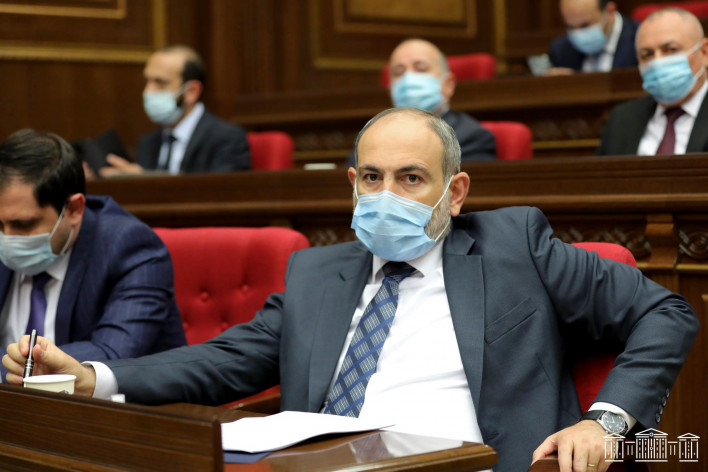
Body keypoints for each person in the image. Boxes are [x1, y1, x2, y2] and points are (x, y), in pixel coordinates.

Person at [4, 109, 698, 472]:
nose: (386, 195)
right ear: (351, 184)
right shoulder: (318, 272)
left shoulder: (514, 244)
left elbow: (664, 311)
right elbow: (225, 359)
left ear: (456, 192)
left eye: (410, 179)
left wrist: (604, 424)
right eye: (371, 178)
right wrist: (92, 378)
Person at [0, 129, 187, 382]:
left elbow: (111, 355)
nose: (7, 237)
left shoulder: (131, 248)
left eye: (23, 224)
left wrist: (22, 369)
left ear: (74, 209)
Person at [98, 45, 250, 177]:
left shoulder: (226, 138)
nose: (148, 91)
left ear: (191, 92)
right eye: (147, 81)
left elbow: (221, 193)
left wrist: (146, 179)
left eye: (160, 83)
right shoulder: (148, 143)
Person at [346, 38, 496, 166]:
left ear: (448, 84)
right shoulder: (371, 137)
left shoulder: (471, 137)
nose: (408, 78)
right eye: (398, 72)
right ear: (390, 89)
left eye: (421, 69)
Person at [597, 8, 708, 156]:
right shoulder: (622, 119)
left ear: (704, 52)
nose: (658, 61)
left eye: (671, 50)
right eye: (647, 55)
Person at [547, 0, 639, 75]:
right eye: (571, 27)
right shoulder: (560, 50)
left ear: (610, 11)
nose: (578, 34)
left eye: (585, 25)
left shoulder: (639, 41)